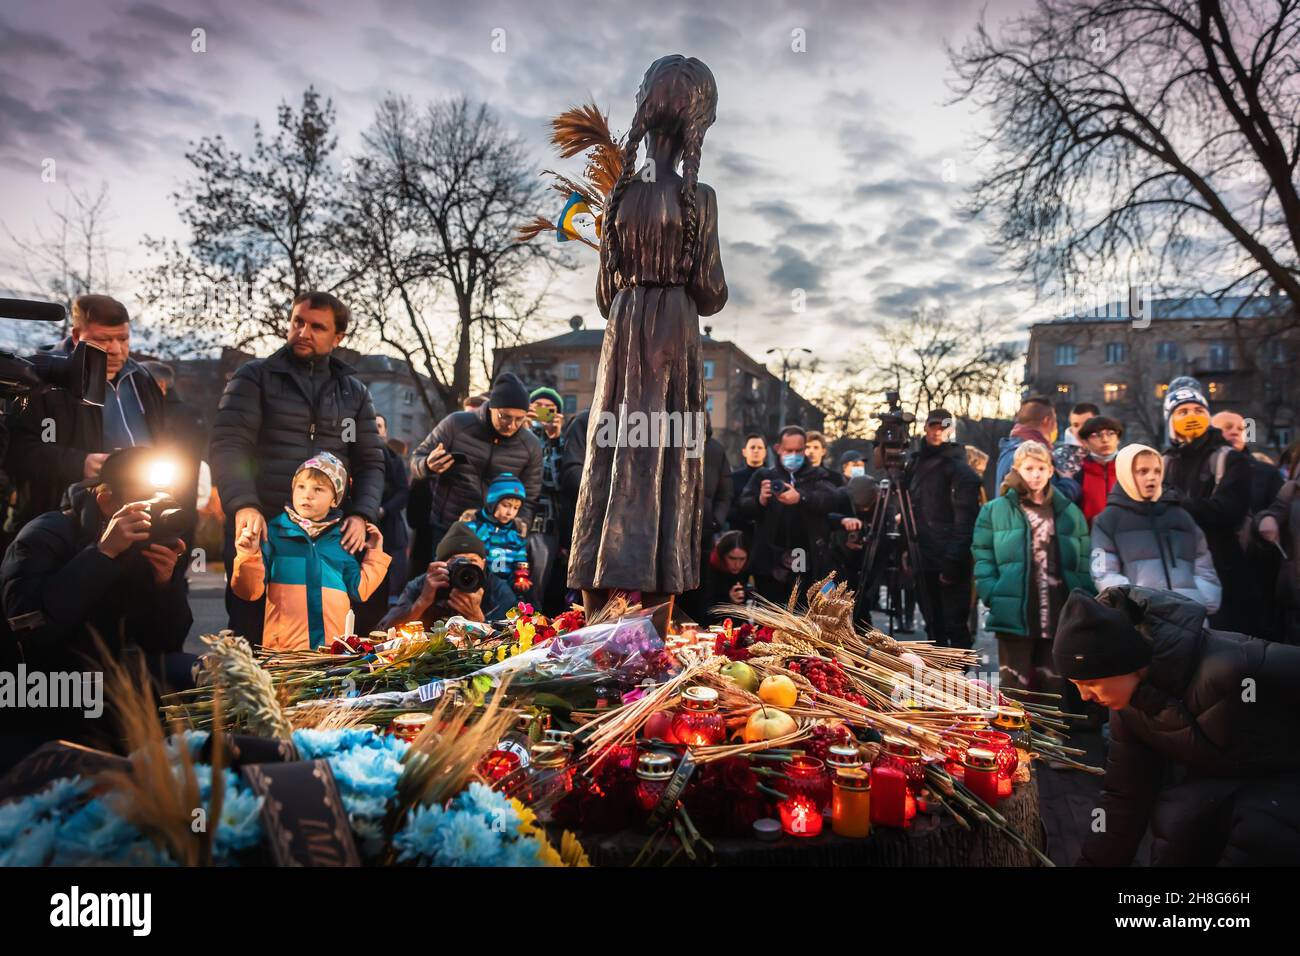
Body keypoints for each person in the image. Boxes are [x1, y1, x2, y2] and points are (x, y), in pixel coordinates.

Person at [568, 55, 728, 614]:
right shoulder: (699, 198)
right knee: (668, 456)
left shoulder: (620, 195)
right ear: (697, 121)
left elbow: (603, 296)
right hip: (675, 335)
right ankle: (656, 605)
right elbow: (711, 291)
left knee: (612, 453)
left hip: (625, 334)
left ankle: (597, 594)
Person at [1055, 586, 1300, 866]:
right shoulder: (1128, 711)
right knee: (1178, 818)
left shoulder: (1233, 669)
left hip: (1285, 780)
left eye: (1090, 683)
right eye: (1077, 687)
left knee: (1260, 828)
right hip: (1223, 780)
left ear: (1123, 663)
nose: (1085, 696)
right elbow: (1124, 798)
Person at [0, 447, 194, 770]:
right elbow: (29, 632)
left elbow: (165, 643)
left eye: (161, 502)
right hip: (37, 690)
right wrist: (102, 554)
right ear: (105, 501)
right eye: (144, 506)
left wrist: (164, 587)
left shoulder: (146, 542)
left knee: (196, 676)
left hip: (108, 679)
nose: (154, 514)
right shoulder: (44, 536)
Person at [210, 291, 386, 645]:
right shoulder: (254, 377)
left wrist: (361, 513)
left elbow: (371, 462)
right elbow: (229, 445)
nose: (303, 332)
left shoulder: (354, 392)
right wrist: (243, 504)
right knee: (250, 632)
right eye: (297, 322)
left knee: (329, 637)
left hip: (328, 534)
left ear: (338, 338)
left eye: (317, 327)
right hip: (262, 527)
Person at [5, 295, 166, 528]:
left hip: (139, 513)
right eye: (103, 340)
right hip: (62, 522)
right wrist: (80, 463)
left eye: (123, 338)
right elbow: (15, 451)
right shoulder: (40, 379)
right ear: (76, 336)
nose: (115, 349)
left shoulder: (143, 378)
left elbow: (161, 437)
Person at [231, 453, 389, 651]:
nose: (307, 495)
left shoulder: (341, 539)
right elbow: (249, 592)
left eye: (318, 489)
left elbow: (359, 591)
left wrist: (375, 555)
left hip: (332, 651)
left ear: (334, 500)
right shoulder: (275, 532)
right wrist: (247, 555)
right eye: (301, 486)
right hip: (284, 654)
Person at [973, 441, 1093, 693]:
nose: (1035, 474)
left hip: (1058, 608)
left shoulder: (1069, 512)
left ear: (1051, 471)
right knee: (1015, 682)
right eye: (1028, 468)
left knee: (1053, 680)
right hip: (1014, 609)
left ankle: (1050, 732)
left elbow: (1083, 561)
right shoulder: (995, 511)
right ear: (1017, 470)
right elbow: (983, 557)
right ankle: (1014, 732)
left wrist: (1081, 597)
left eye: (1041, 467)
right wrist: (993, 593)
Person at [410, 371, 542, 570]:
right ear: (491, 407)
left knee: (495, 594)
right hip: (450, 525)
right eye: (505, 416)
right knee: (445, 587)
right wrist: (428, 465)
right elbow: (416, 460)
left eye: (519, 419)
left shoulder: (530, 444)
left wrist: (519, 525)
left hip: (498, 534)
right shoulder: (456, 424)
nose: (512, 425)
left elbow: (530, 496)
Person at [1161, 376, 1254, 634]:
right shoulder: (1165, 461)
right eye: (1182, 411)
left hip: (1222, 568)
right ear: (1170, 420)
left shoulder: (1229, 458)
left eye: (1198, 410)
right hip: (1176, 568)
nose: (1191, 416)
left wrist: (1179, 502)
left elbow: (1229, 511)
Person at [1090, 444, 1220, 611]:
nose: (1152, 477)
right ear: (1126, 474)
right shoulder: (1108, 520)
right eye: (1142, 471)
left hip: (1190, 619)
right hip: (1143, 623)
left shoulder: (1181, 516)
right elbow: (1103, 573)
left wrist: (1202, 602)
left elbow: (1204, 566)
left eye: (1157, 471)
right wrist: (1136, 604)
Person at [904, 409, 982, 649]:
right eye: (933, 426)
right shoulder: (914, 464)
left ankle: (960, 681)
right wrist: (906, 549)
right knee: (932, 624)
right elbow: (909, 508)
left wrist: (952, 561)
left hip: (950, 558)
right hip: (922, 554)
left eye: (943, 427)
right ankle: (936, 678)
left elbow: (966, 522)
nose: (937, 431)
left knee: (955, 624)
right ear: (926, 428)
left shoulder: (961, 470)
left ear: (950, 431)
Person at [739, 425, 842, 604]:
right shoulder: (765, 475)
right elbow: (743, 507)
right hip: (770, 556)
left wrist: (801, 497)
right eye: (789, 450)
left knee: (799, 609)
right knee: (770, 614)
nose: (793, 455)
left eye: (798, 450)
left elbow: (832, 499)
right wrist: (760, 500)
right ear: (778, 448)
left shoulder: (817, 476)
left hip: (802, 553)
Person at [380, 522, 516, 628]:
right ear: (440, 563)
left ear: (484, 563)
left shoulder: (497, 589)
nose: (465, 567)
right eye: (455, 561)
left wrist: (478, 619)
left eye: (473, 561)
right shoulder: (426, 583)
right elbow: (383, 631)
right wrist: (422, 601)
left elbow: (512, 642)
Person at [994, 396, 1080, 502]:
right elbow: (1046, 502)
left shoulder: (1008, 449)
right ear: (1047, 421)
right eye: (1055, 422)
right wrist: (1068, 482)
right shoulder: (1032, 456)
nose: (1055, 428)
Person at [526, 386, 566, 610]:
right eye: (537, 407)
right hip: (517, 519)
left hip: (546, 525)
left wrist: (555, 439)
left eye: (549, 409)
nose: (543, 413)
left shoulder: (560, 439)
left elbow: (557, 482)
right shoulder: (519, 434)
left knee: (538, 586)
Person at [463, 472, 531, 595]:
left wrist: (521, 579)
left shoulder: (516, 537)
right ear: (492, 503)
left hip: (505, 589)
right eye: (506, 505)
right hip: (476, 585)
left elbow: (520, 561)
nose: (510, 512)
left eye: (516, 508)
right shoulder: (473, 528)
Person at [1212, 410, 1285, 514]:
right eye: (1227, 427)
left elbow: (1280, 512)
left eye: (1241, 429)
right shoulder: (1193, 468)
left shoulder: (1267, 473)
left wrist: (1262, 520)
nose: (1235, 432)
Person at [1076, 414, 1123, 525]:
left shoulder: (1128, 469)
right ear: (1085, 442)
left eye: (1111, 433)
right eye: (1096, 435)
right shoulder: (1079, 474)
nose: (1105, 440)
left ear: (1118, 439)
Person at [727, 432, 767, 542]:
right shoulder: (734, 478)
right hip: (739, 535)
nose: (756, 450)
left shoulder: (773, 477)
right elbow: (727, 506)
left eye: (760, 447)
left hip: (766, 535)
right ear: (744, 452)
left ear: (765, 452)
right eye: (752, 447)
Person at [705, 529, 751, 614]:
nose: (737, 564)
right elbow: (704, 609)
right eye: (732, 558)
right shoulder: (708, 570)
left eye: (742, 559)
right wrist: (728, 600)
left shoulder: (746, 569)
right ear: (722, 556)